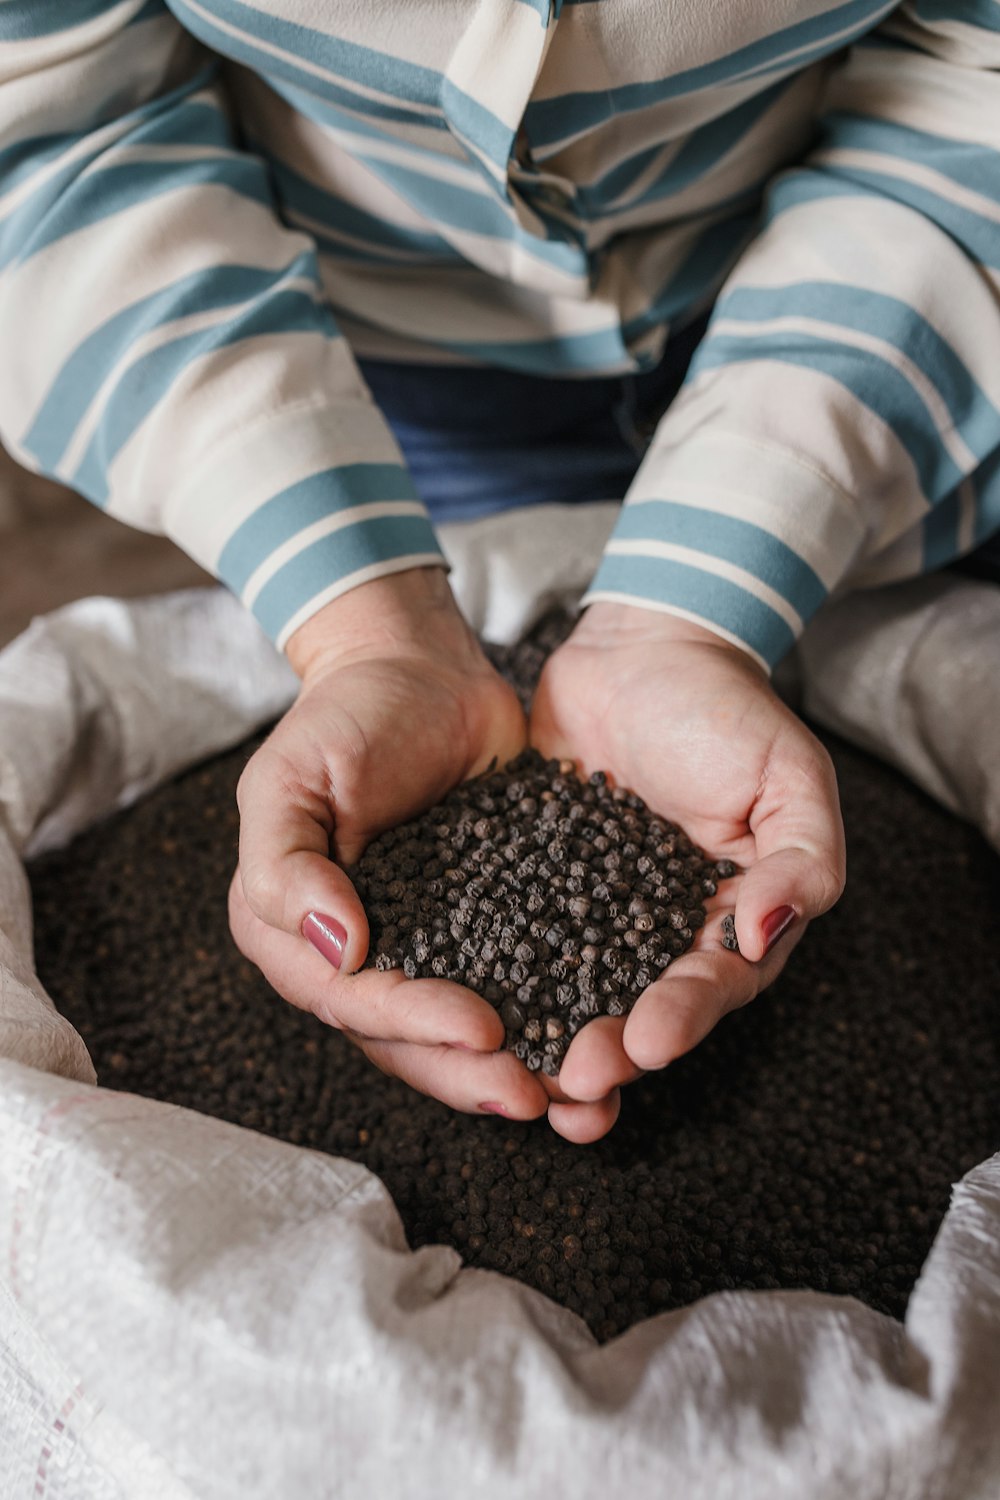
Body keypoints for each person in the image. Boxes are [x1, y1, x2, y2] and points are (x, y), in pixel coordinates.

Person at [1, 1, 997, 1143]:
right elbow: (50, 136)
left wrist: (696, 608)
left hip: (890, 327)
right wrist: (366, 623)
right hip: (335, 358)